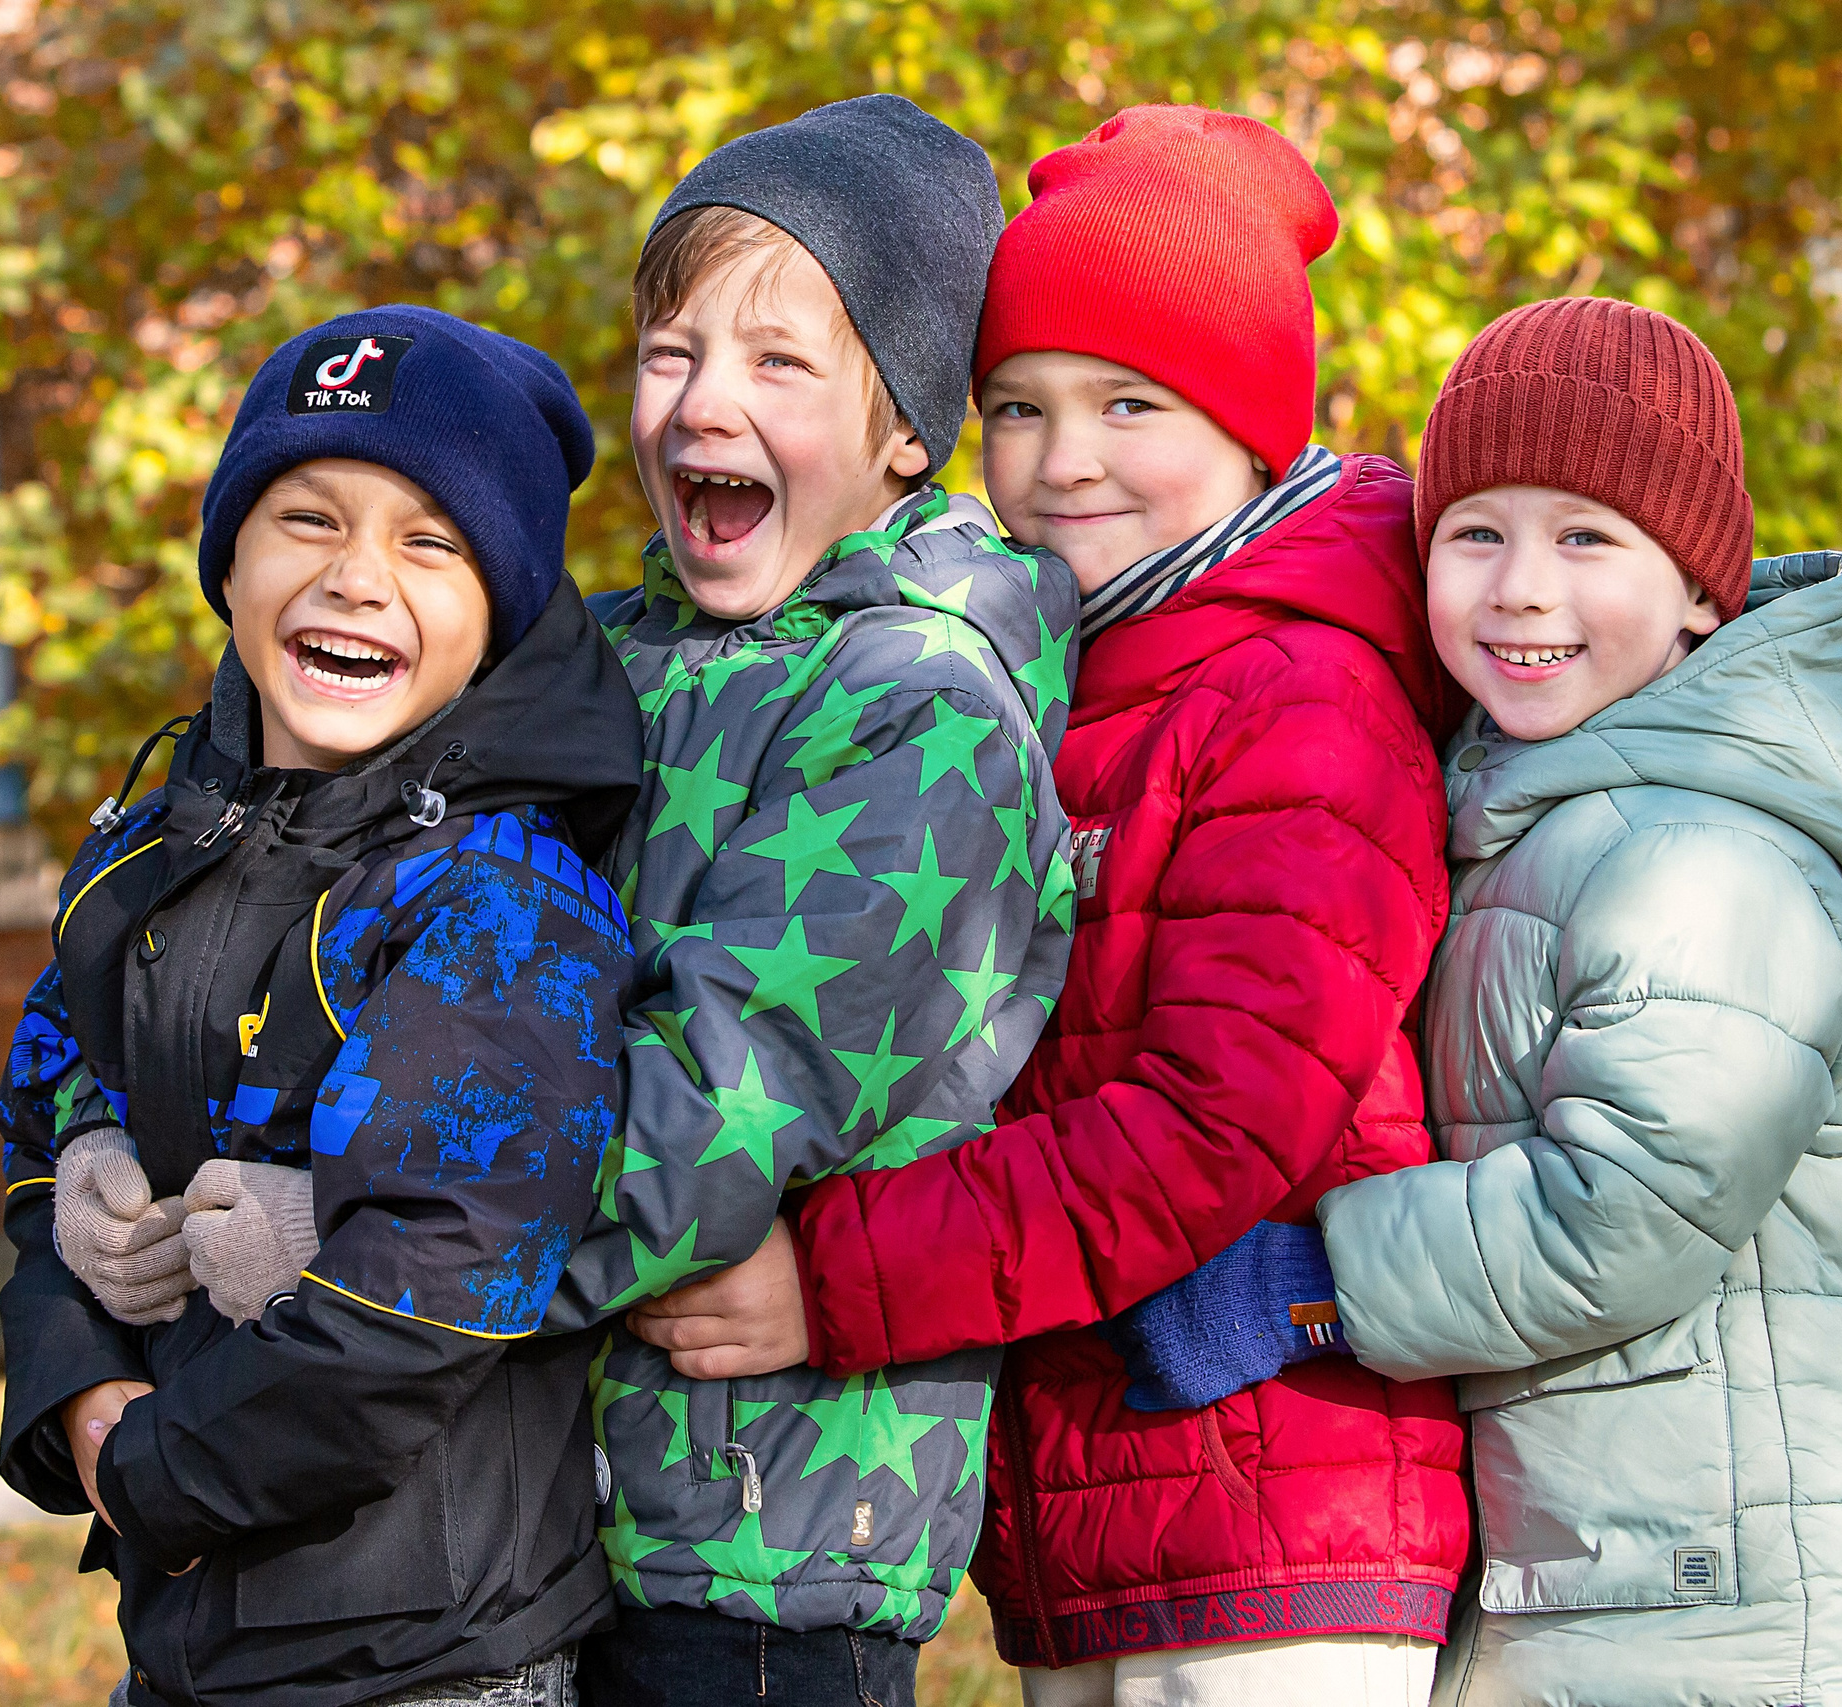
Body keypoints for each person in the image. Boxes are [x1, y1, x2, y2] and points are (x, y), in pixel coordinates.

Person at [638, 105, 1474, 1706]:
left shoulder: (1300, 699)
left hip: (1273, 1500)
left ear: (1252, 433)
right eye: (1017, 406)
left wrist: (840, 1276)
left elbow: (1215, 1126)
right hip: (1104, 1502)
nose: (1062, 457)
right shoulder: (1078, 681)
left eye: (1130, 404)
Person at [1298, 296, 1842, 1704]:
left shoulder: (1703, 858)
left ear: (1703, 590)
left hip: (1736, 1590)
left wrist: (1312, 1282)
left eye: (1587, 536)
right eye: (1477, 533)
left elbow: (1629, 1208)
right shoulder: (1535, 818)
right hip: (1623, 1563)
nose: (1523, 586)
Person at [0, 306, 642, 1707]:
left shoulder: (505, 896)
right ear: (230, 560)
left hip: (423, 1649)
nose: (356, 578)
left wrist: (151, 1471)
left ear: (504, 605)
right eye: (306, 518)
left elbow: (436, 1282)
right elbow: (47, 1097)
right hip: (192, 1640)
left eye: (430, 542)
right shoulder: (158, 847)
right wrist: (78, 1374)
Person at [544, 95, 1080, 1707]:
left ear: (906, 427)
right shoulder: (597, 665)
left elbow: (716, 1108)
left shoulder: (920, 703)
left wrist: (369, 1263)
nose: (706, 402)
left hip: (764, 1555)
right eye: (670, 350)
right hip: (550, 1517)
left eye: (781, 362)